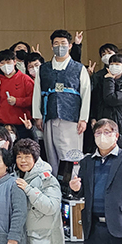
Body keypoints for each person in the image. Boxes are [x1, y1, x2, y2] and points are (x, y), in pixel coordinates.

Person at [33, 30, 91, 180]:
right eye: (56, 44)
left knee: (71, 155)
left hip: (71, 118)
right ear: (52, 46)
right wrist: (37, 116)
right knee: (52, 155)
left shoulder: (79, 68)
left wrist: (83, 118)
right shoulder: (43, 68)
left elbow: (86, 94)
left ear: (70, 46)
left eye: (63, 43)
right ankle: (54, 186)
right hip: (49, 116)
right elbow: (37, 92)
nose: (60, 47)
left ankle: (72, 185)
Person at [0, 50, 34, 139]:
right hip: (1, 125)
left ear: (14, 62)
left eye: (8, 62)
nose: (5, 65)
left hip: (22, 125)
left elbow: (34, 101)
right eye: (2, 63)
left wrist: (17, 101)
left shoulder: (25, 79)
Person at [93, 54, 122, 152]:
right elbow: (96, 100)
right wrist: (93, 117)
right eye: (111, 64)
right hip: (103, 118)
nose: (113, 67)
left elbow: (113, 99)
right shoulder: (101, 79)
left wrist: (109, 80)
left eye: (117, 64)